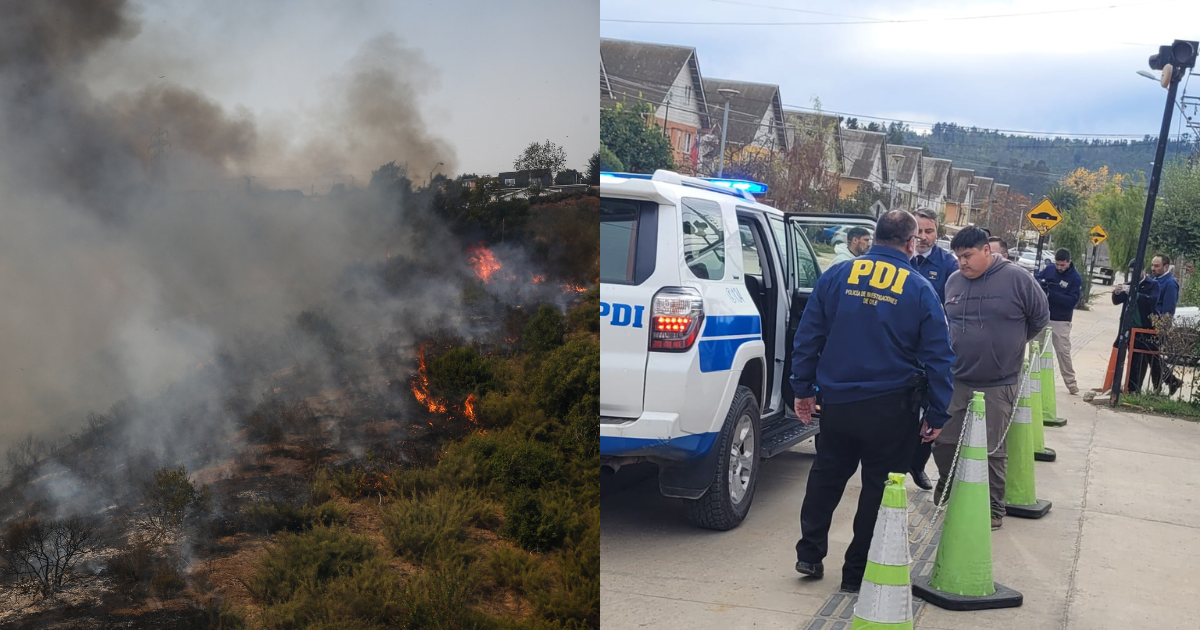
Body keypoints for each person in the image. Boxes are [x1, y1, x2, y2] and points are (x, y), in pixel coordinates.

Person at [791, 210, 955, 593]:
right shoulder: (918, 288)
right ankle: (855, 573)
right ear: (912, 243)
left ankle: (810, 553)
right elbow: (939, 356)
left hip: (838, 403)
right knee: (878, 490)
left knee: (826, 477)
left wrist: (802, 389)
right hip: (890, 407)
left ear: (874, 236)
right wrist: (937, 411)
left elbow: (808, 335)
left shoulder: (837, 275)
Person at [933, 227, 1050, 531]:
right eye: (958, 257)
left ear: (987, 250)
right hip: (958, 377)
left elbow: (1039, 318)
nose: (962, 262)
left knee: (991, 450)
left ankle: (993, 508)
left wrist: (1010, 347)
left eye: (968, 255)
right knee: (942, 441)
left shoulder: (1016, 278)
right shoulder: (953, 282)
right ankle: (949, 486)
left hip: (999, 380)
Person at [907, 209, 958, 491]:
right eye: (919, 231)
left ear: (937, 233)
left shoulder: (948, 265)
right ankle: (894, 464)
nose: (923, 237)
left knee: (931, 409)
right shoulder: (902, 259)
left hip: (930, 351)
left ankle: (918, 463)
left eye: (929, 231)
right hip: (901, 349)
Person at [1037, 249, 1082, 395]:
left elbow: (1072, 301)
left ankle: (1071, 384)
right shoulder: (1050, 270)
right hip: (1043, 317)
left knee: (1063, 352)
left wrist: (1052, 294)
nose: (1059, 268)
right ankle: (1032, 378)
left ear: (1069, 262)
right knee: (1035, 348)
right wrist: (1041, 285)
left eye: (1062, 265)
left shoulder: (1075, 278)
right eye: (1057, 264)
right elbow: (1036, 280)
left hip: (1061, 320)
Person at [1112, 262, 1160, 393]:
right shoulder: (1128, 284)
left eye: (1137, 272)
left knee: (1139, 359)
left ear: (1144, 270)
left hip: (1143, 328)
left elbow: (1153, 300)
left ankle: (1133, 388)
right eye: (1132, 272)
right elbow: (1117, 301)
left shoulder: (1152, 284)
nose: (1135, 275)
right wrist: (1117, 292)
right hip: (1127, 327)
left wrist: (1136, 294)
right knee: (1123, 355)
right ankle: (1120, 386)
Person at [1150, 254, 1183, 394]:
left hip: (1158, 328)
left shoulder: (1170, 284)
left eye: (1157, 266)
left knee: (1153, 357)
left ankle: (1162, 385)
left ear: (1166, 267)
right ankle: (1170, 381)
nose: (1153, 268)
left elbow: (1168, 310)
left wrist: (1161, 328)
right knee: (1152, 357)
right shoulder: (1155, 280)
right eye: (1152, 265)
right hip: (1149, 325)